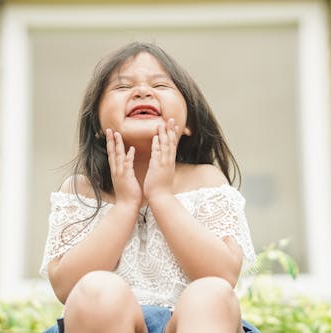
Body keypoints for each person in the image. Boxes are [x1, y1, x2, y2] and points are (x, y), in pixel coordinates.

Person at [40, 42, 259, 333]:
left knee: (211, 295)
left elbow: (223, 276)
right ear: (96, 125)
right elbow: (67, 288)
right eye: (122, 87)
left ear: (188, 124)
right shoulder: (81, 190)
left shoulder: (206, 180)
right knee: (97, 289)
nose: (142, 92)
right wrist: (126, 205)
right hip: (102, 322)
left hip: (194, 323)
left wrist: (161, 196)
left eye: (160, 84)